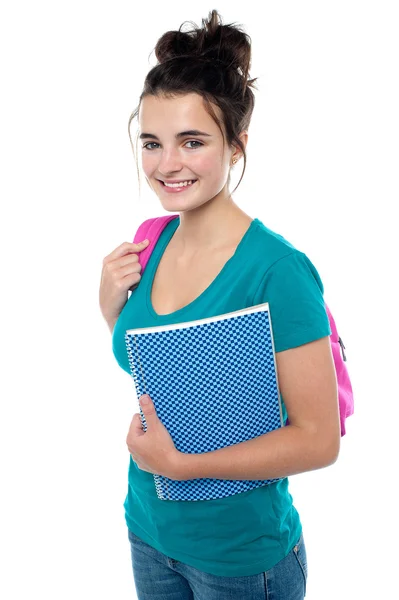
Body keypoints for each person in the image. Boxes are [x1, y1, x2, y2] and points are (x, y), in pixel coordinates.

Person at [99, 9, 340, 600]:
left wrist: (183, 467)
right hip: (149, 534)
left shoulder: (277, 272)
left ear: (237, 146)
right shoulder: (151, 242)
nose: (167, 165)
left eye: (192, 142)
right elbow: (160, 371)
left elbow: (318, 439)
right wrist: (110, 308)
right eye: (152, 143)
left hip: (241, 560)